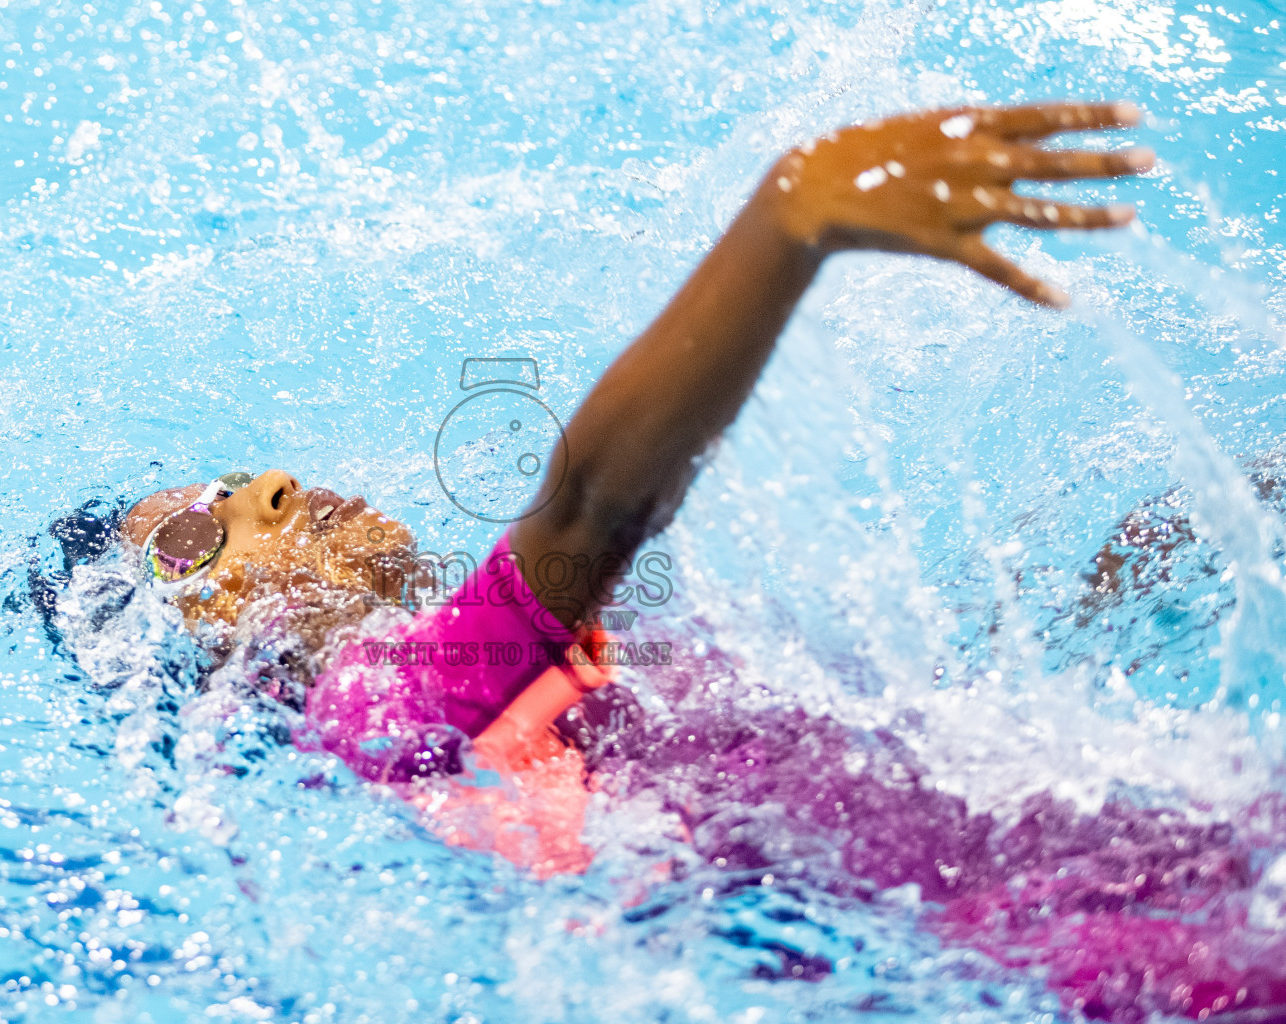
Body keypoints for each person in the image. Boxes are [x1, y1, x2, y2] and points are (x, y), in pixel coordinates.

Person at [103, 101, 1286, 1021]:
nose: (266, 491)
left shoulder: (566, 691)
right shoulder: (369, 713)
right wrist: (793, 214)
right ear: (193, 641)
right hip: (1117, 949)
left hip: (1125, 863)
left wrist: (1130, 572)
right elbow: (595, 506)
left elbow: (911, 740)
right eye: (197, 535)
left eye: (234, 479)